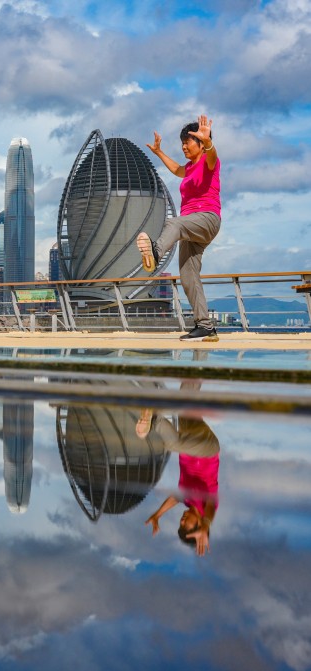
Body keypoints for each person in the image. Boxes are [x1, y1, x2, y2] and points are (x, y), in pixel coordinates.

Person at [137, 114, 221, 342]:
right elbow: (176, 170)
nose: (183, 146)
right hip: (190, 227)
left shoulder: (209, 160)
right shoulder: (190, 167)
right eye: (182, 142)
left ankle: (155, 252)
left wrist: (209, 142)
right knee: (187, 275)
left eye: (188, 142)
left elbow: (212, 154)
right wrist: (159, 153)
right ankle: (205, 326)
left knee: (173, 222)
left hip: (206, 219)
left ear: (201, 144)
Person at [136, 384, 221, 557]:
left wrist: (157, 515)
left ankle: (198, 361)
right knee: (172, 443)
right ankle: (154, 419)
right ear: (198, 523)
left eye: (179, 525)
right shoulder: (207, 507)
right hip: (208, 449)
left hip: (190, 441)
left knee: (186, 398)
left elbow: (174, 498)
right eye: (185, 526)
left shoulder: (187, 499)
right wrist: (206, 525)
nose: (181, 522)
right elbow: (211, 508)